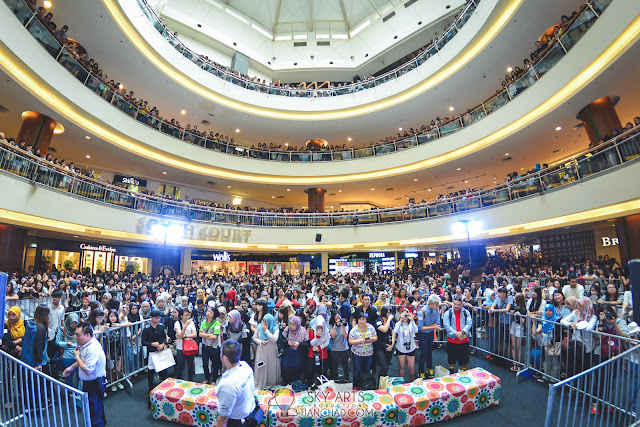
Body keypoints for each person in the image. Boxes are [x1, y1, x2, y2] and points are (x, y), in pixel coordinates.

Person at [216, 340, 257, 427]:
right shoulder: (245, 366)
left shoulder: (227, 385)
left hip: (238, 422)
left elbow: (223, 418)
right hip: (250, 413)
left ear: (225, 358)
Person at [560, 297, 597, 377]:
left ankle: (582, 387)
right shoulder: (575, 313)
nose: (578, 307)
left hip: (586, 346)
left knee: (583, 369)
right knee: (572, 367)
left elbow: (589, 328)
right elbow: (563, 320)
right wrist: (570, 324)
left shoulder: (593, 317)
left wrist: (577, 326)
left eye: (580, 305)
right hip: (575, 344)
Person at [142, 309, 169, 404]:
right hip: (152, 353)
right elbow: (143, 342)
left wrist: (162, 344)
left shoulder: (161, 327)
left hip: (161, 351)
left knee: (164, 370)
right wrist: (152, 344)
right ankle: (150, 389)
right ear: (151, 318)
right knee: (151, 371)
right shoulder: (146, 329)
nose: (158, 320)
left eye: (159, 318)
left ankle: (164, 389)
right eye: (156, 318)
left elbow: (164, 337)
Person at [443, 297, 472, 374]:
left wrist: (462, 332)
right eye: (455, 304)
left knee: (464, 360)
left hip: (464, 340)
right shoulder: (447, 313)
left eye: (458, 304)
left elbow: (469, 324)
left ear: (461, 304)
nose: (456, 306)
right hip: (452, 339)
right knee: (451, 358)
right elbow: (446, 325)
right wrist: (456, 333)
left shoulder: (466, 312)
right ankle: (451, 371)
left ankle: (463, 373)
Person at [348, 312, 377, 387]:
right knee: (357, 370)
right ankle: (356, 386)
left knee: (366, 370)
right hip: (357, 354)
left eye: (364, 319)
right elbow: (350, 341)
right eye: (360, 319)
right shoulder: (354, 330)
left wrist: (370, 339)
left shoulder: (371, 327)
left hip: (368, 354)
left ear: (367, 320)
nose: (362, 321)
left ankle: (365, 385)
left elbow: (376, 338)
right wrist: (360, 341)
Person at [252, 313, 280, 389]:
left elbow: (274, 339)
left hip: (271, 350)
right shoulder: (259, 327)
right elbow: (254, 338)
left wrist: (266, 330)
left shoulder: (275, 328)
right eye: (263, 321)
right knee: (262, 367)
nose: (264, 323)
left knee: (271, 366)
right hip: (262, 349)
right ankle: (261, 384)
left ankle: (271, 384)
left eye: (266, 321)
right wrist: (260, 342)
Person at [417, 295, 441, 378]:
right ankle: (420, 371)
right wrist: (433, 326)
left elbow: (438, 323)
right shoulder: (421, 312)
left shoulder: (436, 310)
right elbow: (420, 328)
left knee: (429, 351)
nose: (438, 306)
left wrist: (430, 326)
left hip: (430, 333)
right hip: (423, 334)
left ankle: (429, 368)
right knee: (423, 353)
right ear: (431, 303)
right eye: (437, 304)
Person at [281, 315, 308, 385]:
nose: (291, 326)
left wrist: (299, 344)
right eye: (290, 323)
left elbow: (307, 343)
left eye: (293, 324)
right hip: (288, 353)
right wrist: (287, 342)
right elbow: (281, 339)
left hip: (298, 354)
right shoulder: (287, 329)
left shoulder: (303, 331)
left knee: (296, 372)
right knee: (286, 370)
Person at [56, 313, 80, 389]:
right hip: (67, 355)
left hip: (78, 355)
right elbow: (57, 341)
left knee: (79, 376)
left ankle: (79, 391)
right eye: (72, 323)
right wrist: (66, 343)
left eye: (75, 323)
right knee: (68, 375)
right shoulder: (62, 330)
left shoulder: (79, 329)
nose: (74, 325)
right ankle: (69, 392)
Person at [394, 309, 418, 381]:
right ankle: (401, 382)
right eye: (403, 315)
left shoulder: (411, 324)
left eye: (406, 315)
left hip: (411, 348)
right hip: (400, 348)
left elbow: (416, 331)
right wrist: (399, 321)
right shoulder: (398, 324)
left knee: (411, 367)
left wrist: (412, 320)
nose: (405, 317)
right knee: (402, 367)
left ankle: (411, 381)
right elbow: (395, 331)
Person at [199, 307, 221, 384]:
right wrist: (209, 335)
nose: (208, 313)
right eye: (207, 311)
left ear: (214, 314)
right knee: (205, 363)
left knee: (214, 364)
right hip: (205, 346)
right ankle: (207, 379)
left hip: (214, 347)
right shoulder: (203, 322)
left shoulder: (217, 323)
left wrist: (205, 334)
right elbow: (200, 334)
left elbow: (215, 336)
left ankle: (214, 380)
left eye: (210, 312)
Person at [175, 308, 197, 381]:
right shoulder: (177, 323)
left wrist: (186, 336)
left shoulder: (191, 323)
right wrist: (185, 325)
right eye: (185, 315)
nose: (187, 317)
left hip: (189, 346)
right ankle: (179, 381)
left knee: (190, 365)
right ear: (181, 316)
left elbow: (195, 334)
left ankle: (190, 380)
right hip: (180, 347)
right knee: (180, 366)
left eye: (188, 315)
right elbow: (180, 334)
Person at [374, 307, 394, 381]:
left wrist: (392, 344)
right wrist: (389, 319)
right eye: (388, 312)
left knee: (387, 366)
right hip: (380, 346)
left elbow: (393, 333)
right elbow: (384, 329)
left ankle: (383, 381)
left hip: (389, 345)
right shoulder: (378, 321)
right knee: (383, 366)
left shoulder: (391, 322)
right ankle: (379, 381)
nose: (390, 314)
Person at [329, 311, 349, 380]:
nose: (338, 319)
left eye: (339, 317)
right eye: (336, 318)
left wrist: (343, 327)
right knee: (334, 366)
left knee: (345, 365)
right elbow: (333, 336)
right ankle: (334, 379)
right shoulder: (330, 325)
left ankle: (347, 378)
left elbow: (345, 336)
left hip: (344, 348)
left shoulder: (345, 324)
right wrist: (335, 327)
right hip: (334, 349)